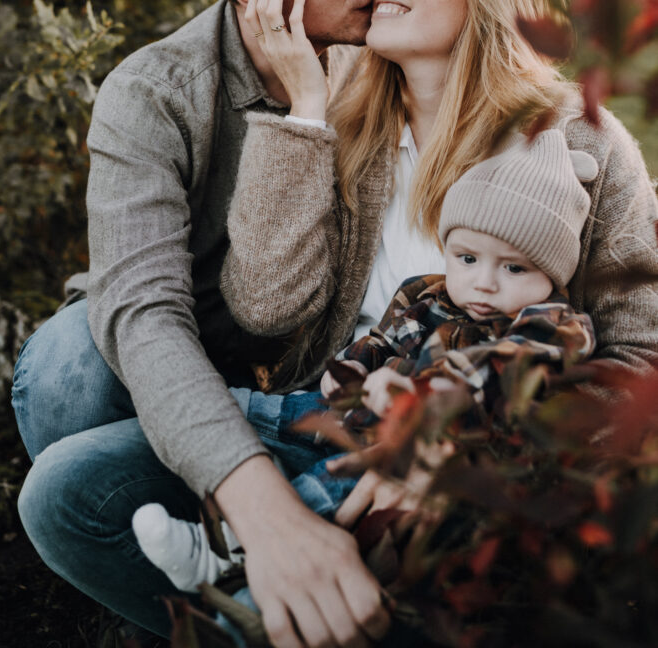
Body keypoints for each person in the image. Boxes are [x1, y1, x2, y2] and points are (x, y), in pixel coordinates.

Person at [13, 0, 391, 648]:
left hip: (310, 373)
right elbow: (144, 317)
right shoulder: (153, 92)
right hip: (170, 353)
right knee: (71, 367)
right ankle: (150, 567)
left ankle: (228, 584)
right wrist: (263, 509)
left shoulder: (385, 53)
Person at [216, 0, 658, 534]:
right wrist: (303, 111)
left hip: (485, 474)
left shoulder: (576, 140)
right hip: (325, 430)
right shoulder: (342, 132)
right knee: (74, 488)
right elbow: (263, 309)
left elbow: (639, 360)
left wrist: (461, 444)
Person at [131, 128, 599, 595]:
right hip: (348, 414)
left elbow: (503, 367)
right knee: (262, 410)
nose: (484, 283)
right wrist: (352, 368)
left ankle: (224, 551)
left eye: (514, 268)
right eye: (468, 258)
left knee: (334, 483)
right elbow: (382, 340)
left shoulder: (554, 325)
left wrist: (424, 395)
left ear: (553, 273)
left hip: (418, 454)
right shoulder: (427, 294)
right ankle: (181, 417)